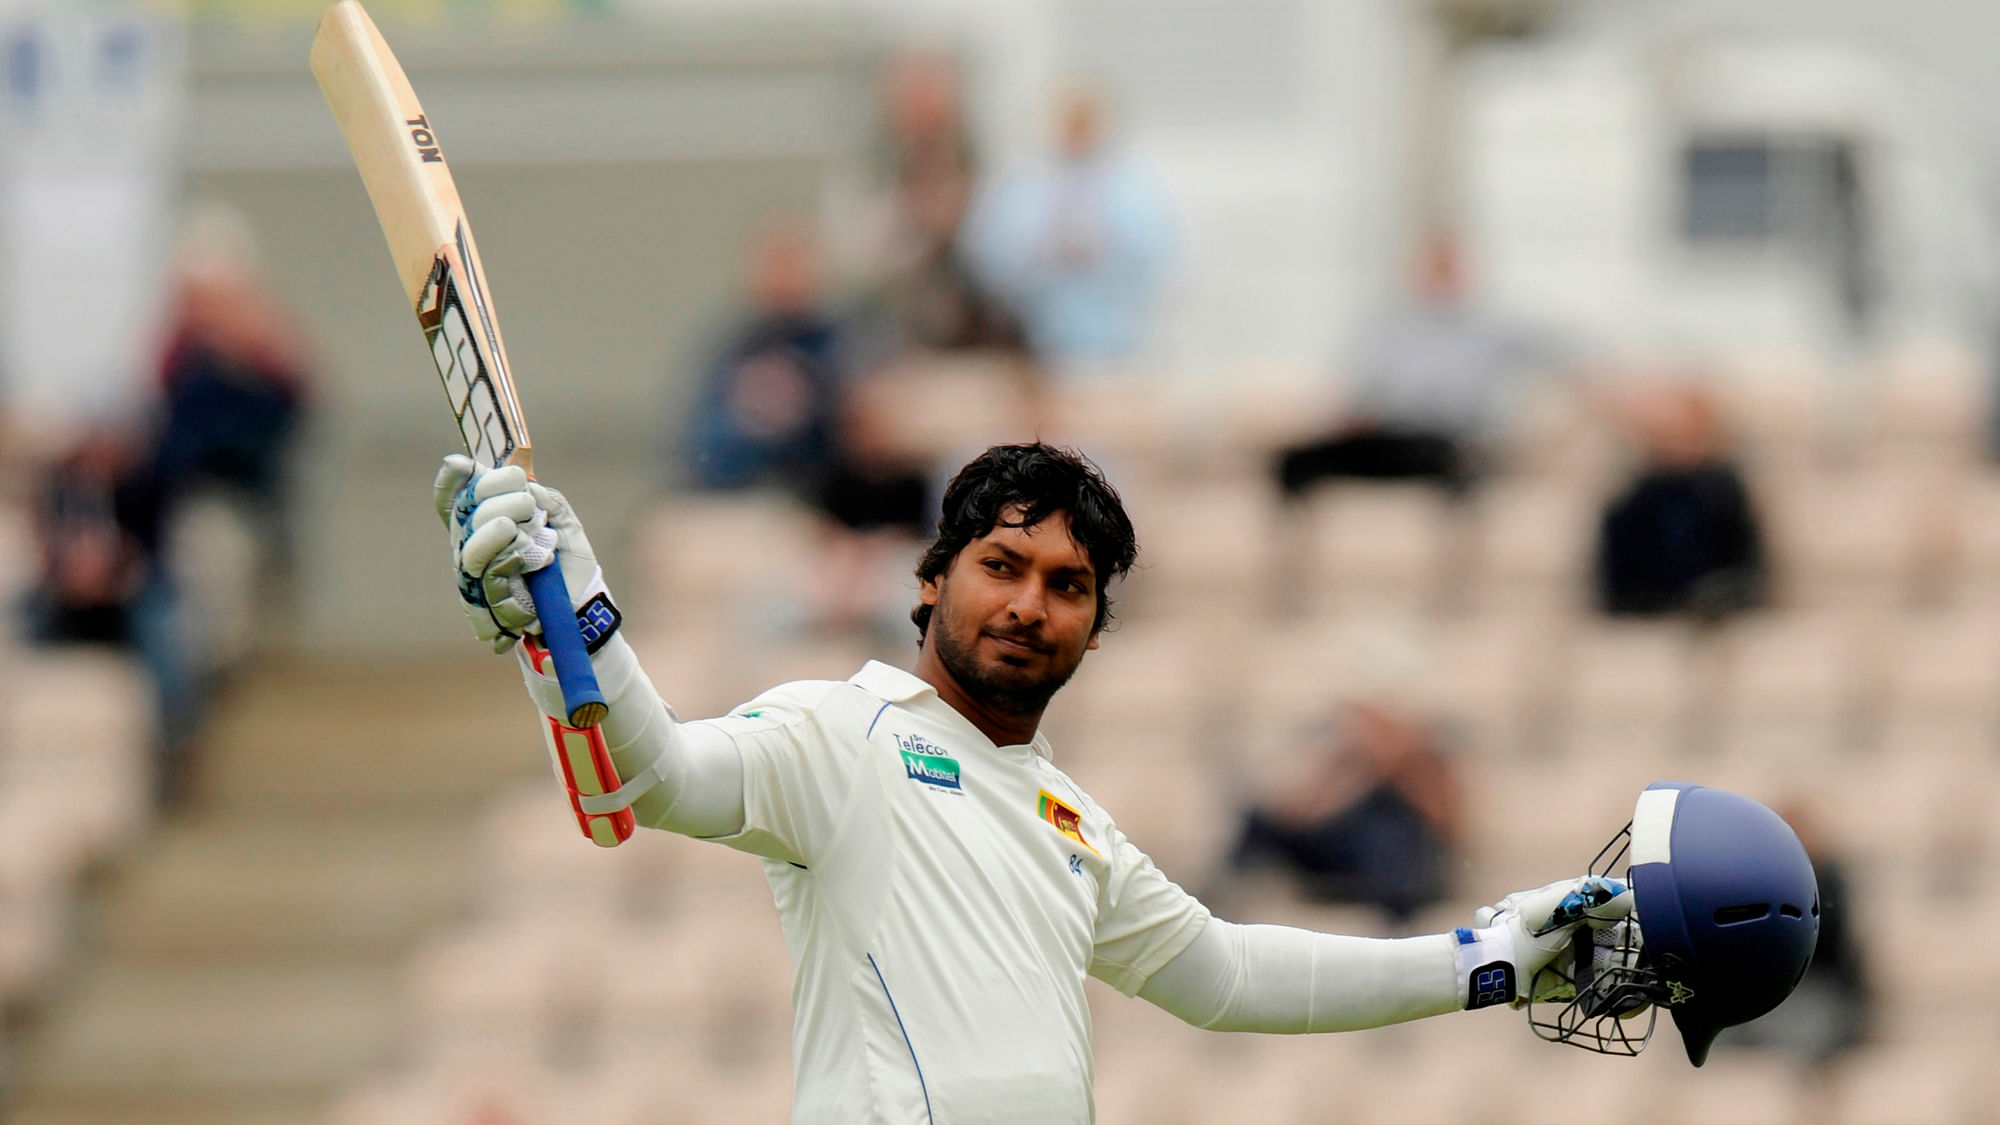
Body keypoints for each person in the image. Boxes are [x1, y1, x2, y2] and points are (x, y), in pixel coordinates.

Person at [434, 441, 1632, 1121]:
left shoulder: (1069, 822)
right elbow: (645, 778)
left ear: (1095, 630)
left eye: (1066, 585)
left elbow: (1224, 973)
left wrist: (1481, 962)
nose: (1026, 603)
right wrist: (566, 628)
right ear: (927, 582)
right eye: (1000, 564)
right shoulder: (833, 735)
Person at [1274, 232, 1534, 500]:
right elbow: (1361, 389)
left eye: (1447, 268)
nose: (1439, 278)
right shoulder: (1389, 327)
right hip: (1389, 435)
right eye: (1433, 268)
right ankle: (1296, 536)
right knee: (1294, 461)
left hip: (1447, 438)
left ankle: (1458, 536)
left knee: (1457, 463)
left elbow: (1556, 356)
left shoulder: (1493, 329)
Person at [960, 86, 1177, 369]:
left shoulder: (1132, 184)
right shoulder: (1026, 183)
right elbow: (990, 256)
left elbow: (1161, 255)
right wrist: (1048, 247)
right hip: (1035, 343)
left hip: (1121, 341)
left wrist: (1103, 245)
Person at [1224, 693, 1461, 924]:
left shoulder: (1424, 763)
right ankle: (1232, 893)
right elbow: (1303, 813)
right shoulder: (1349, 761)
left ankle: (1393, 914)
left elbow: (1443, 827)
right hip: (1342, 854)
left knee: (1386, 830)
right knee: (1258, 818)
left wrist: (1392, 767)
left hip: (1401, 871)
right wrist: (1353, 774)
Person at [1593, 384, 1768, 619]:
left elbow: (1748, 570)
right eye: (1668, 434)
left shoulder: (1725, 495)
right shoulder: (1630, 502)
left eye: (1688, 434)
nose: (1678, 444)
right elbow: (1617, 583)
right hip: (1647, 622)